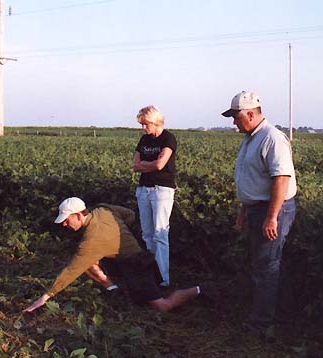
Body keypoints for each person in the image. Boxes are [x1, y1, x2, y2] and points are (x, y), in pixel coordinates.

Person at [22, 197, 215, 314]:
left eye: (66, 220)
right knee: (90, 262)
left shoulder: (91, 241)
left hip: (138, 266)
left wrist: (45, 297)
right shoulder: (103, 208)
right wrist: (120, 235)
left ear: (79, 215)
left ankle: (200, 290)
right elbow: (130, 215)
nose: (64, 224)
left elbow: (70, 271)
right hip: (134, 259)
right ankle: (115, 290)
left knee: (162, 306)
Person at [222, 91, 297, 334]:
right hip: (258, 209)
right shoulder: (251, 138)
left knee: (267, 266)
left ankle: (261, 324)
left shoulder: (272, 138)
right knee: (261, 264)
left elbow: (281, 179)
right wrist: (243, 212)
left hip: (273, 210)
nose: (233, 122)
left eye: (236, 117)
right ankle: (270, 315)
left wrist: (272, 216)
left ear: (251, 114)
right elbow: (253, 181)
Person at [132, 106, 177, 287]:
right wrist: (148, 164)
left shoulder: (168, 138)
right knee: (147, 234)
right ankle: (152, 275)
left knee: (160, 234)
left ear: (155, 121)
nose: (143, 128)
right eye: (142, 124)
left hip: (162, 190)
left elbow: (160, 165)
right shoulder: (144, 139)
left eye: (145, 124)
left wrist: (146, 164)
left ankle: (163, 279)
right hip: (144, 189)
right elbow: (135, 165)